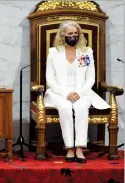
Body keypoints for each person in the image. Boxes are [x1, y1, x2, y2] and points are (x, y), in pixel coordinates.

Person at [44, 20, 110, 163]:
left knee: (81, 107)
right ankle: (69, 148)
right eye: (70, 34)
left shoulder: (86, 52)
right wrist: (64, 93)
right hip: (59, 92)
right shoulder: (54, 52)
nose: (73, 36)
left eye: (75, 33)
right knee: (65, 107)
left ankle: (79, 148)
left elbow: (90, 78)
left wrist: (79, 92)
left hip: (82, 91)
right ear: (63, 35)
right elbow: (50, 79)